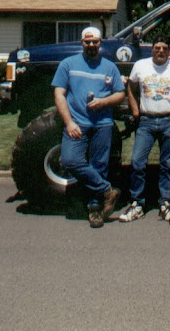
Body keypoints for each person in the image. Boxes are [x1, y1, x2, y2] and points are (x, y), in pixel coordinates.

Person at [51, 26, 125, 228]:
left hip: (103, 124)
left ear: (100, 43)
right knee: (69, 160)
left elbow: (120, 93)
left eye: (95, 42)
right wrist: (69, 122)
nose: (91, 45)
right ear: (81, 43)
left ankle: (95, 210)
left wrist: (103, 102)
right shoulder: (68, 64)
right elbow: (59, 94)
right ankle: (107, 190)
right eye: (87, 42)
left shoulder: (110, 67)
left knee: (99, 165)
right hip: (77, 123)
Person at [120, 35, 170, 223]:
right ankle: (137, 203)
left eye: (164, 48)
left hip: (169, 120)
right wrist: (135, 111)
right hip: (146, 121)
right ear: (152, 49)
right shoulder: (141, 66)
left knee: (167, 165)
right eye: (157, 47)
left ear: (169, 50)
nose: (160, 51)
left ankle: (165, 201)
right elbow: (131, 88)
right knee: (137, 162)